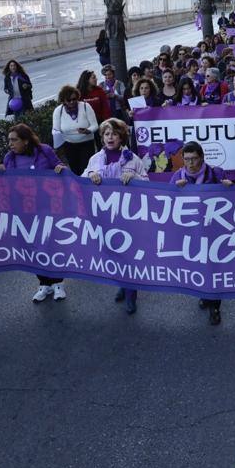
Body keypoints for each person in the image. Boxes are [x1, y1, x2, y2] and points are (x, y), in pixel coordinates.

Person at [0, 123, 69, 302]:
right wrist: (1, 176)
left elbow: (60, 167)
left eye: (14, 140)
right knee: (33, 247)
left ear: (26, 141)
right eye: (9, 140)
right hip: (25, 212)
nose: (10, 144)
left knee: (50, 244)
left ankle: (57, 283)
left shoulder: (44, 151)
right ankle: (44, 283)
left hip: (48, 207)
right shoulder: (9, 158)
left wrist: (61, 169)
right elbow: (7, 187)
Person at [85, 119, 148, 314]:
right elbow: (81, 179)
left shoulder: (133, 159)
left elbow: (147, 183)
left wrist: (134, 178)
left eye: (114, 134)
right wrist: (90, 175)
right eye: (106, 134)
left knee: (128, 254)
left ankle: (131, 294)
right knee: (113, 253)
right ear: (102, 137)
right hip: (105, 216)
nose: (110, 137)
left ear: (121, 137)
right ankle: (123, 284)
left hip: (128, 216)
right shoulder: (95, 159)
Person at [172, 142, 233, 324]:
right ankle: (204, 295)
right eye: (187, 159)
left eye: (194, 159)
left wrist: (230, 188)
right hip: (191, 231)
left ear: (202, 158)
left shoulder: (216, 173)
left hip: (214, 230)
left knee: (213, 267)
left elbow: (232, 201)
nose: (190, 163)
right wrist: (175, 189)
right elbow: (166, 201)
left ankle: (215, 307)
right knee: (198, 265)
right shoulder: (178, 176)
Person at [52, 85, 98, 175]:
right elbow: (55, 129)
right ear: (63, 100)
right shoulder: (58, 111)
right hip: (69, 145)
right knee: (75, 170)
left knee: (86, 170)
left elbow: (95, 125)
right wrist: (57, 136)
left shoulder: (85, 106)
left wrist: (88, 130)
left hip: (86, 144)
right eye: (69, 100)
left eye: (74, 99)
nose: (72, 102)